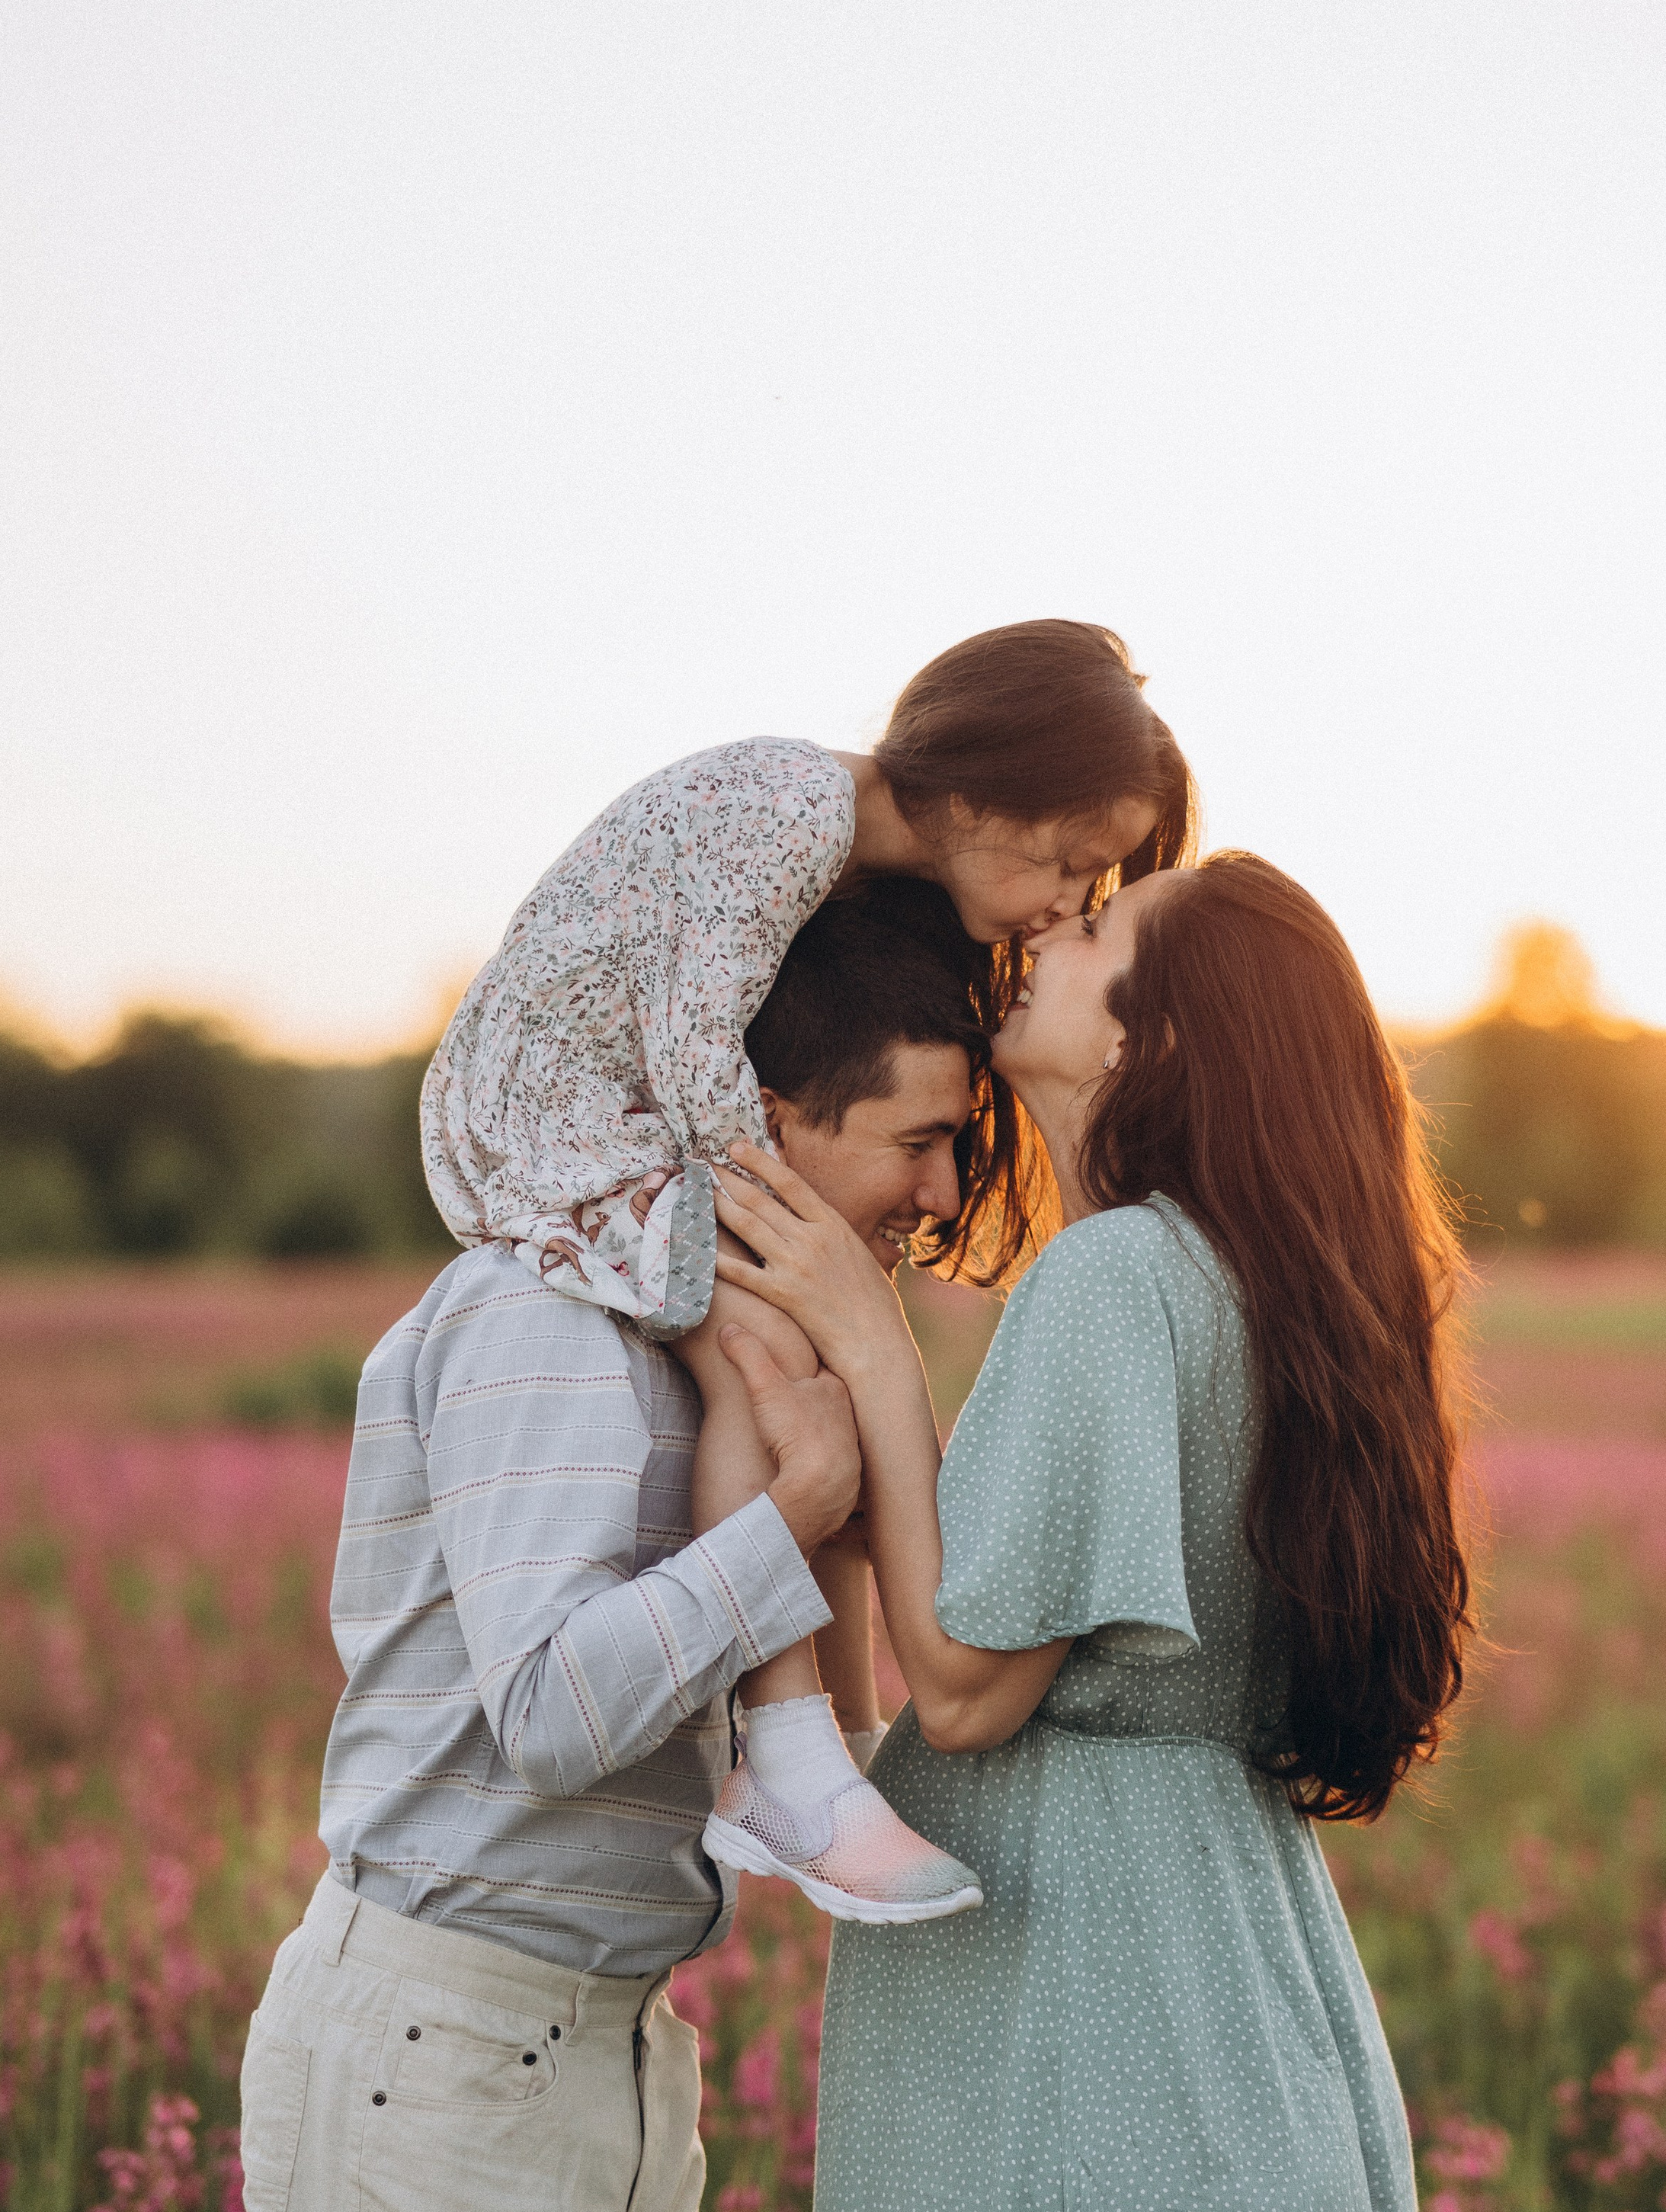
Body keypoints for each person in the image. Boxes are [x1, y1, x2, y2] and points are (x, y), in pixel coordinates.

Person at [238, 876, 1037, 2212]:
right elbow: (541, 1715)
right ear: (765, 1122)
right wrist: (795, 1521)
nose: (936, 1193)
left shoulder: (737, 1358)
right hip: (436, 2060)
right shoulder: (547, 1321)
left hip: (616, 2062)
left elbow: (859, 1727)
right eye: (914, 1139)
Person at [710, 851, 1471, 2212]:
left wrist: (870, 1357)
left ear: (1161, 1034)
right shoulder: (1274, 1281)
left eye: (1093, 935)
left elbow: (963, 1691)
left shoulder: (1117, 1280)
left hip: (1081, 1998)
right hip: (1240, 1967)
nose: (1041, 941)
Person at [420, 618, 1195, 1922]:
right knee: (767, 1349)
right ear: (969, 794)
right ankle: (786, 1760)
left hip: (617, 1115)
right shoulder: (790, 809)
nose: (1069, 904)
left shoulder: (844, 865)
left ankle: (832, 1748)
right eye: (1066, 863)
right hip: (554, 1117)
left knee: (799, 1340)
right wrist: (788, 1229)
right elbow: (688, 1039)